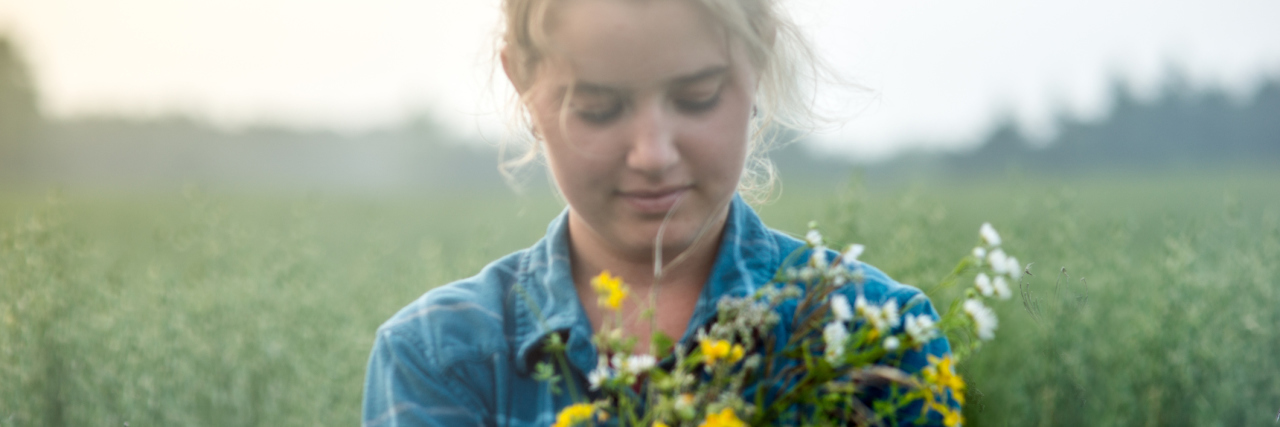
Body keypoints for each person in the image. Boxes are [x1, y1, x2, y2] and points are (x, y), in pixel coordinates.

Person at [361, 0, 954, 425]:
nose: (652, 154)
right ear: (523, 82)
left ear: (760, 61)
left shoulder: (878, 335)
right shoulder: (442, 355)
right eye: (597, 107)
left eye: (696, 99)